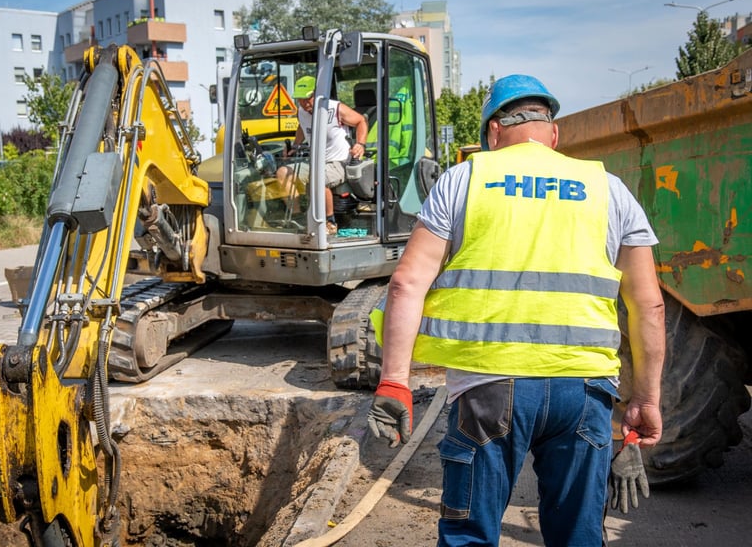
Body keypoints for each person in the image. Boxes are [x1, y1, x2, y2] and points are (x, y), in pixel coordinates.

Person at [366, 74, 666, 546]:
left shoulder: (465, 180)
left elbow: (407, 283)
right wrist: (645, 401)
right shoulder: (608, 188)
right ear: (554, 133)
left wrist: (394, 381)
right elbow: (648, 305)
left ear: (493, 133)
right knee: (578, 537)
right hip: (584, 392)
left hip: (487, 389)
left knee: (471, 536)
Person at [276, 75, 368, 235]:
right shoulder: (302, 112)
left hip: (339, 162)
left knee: (318, 179)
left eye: (307, 99)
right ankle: (297, 217)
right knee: (283, 173)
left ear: (317, 94)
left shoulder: (335, 108)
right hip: (316, 162)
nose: (304, 104)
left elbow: (361, 121)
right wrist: (295, 145)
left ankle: (330, 222)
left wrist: (360, 144)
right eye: (300, 100)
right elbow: (302, 126)